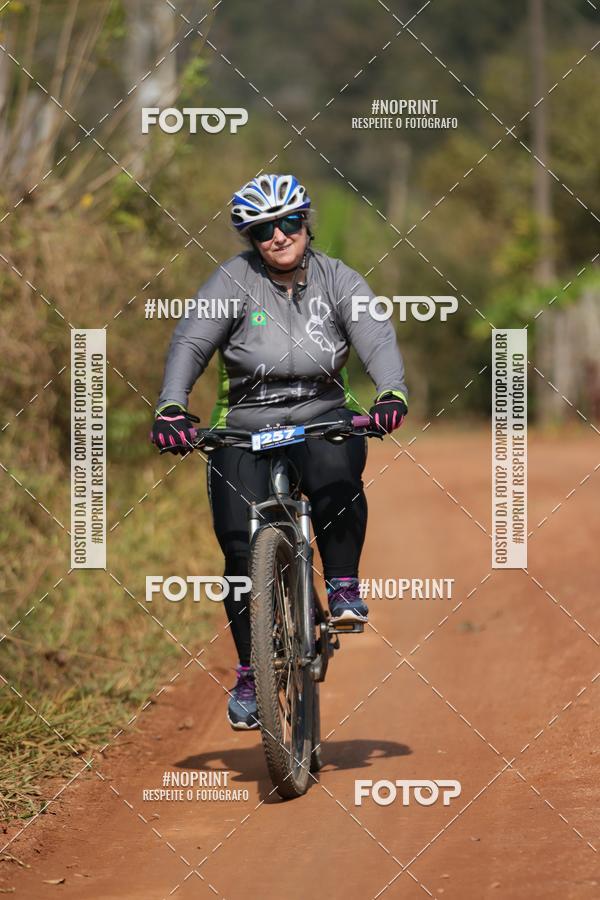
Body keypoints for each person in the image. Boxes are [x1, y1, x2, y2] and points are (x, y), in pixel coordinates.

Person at [151, 174, 408, 729]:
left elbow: (375, 336)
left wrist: (390, 392)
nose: (278, 236)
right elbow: (191, 341)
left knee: (336, 468)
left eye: (289, 222)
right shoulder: (232, 280)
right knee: (240, 551)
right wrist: (171, 406)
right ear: (250, 237)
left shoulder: (339, 279)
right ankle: (250, 669)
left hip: (320, 413)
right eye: (263, 229)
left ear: (305, 223)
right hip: (244, 422)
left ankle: (341, 584)